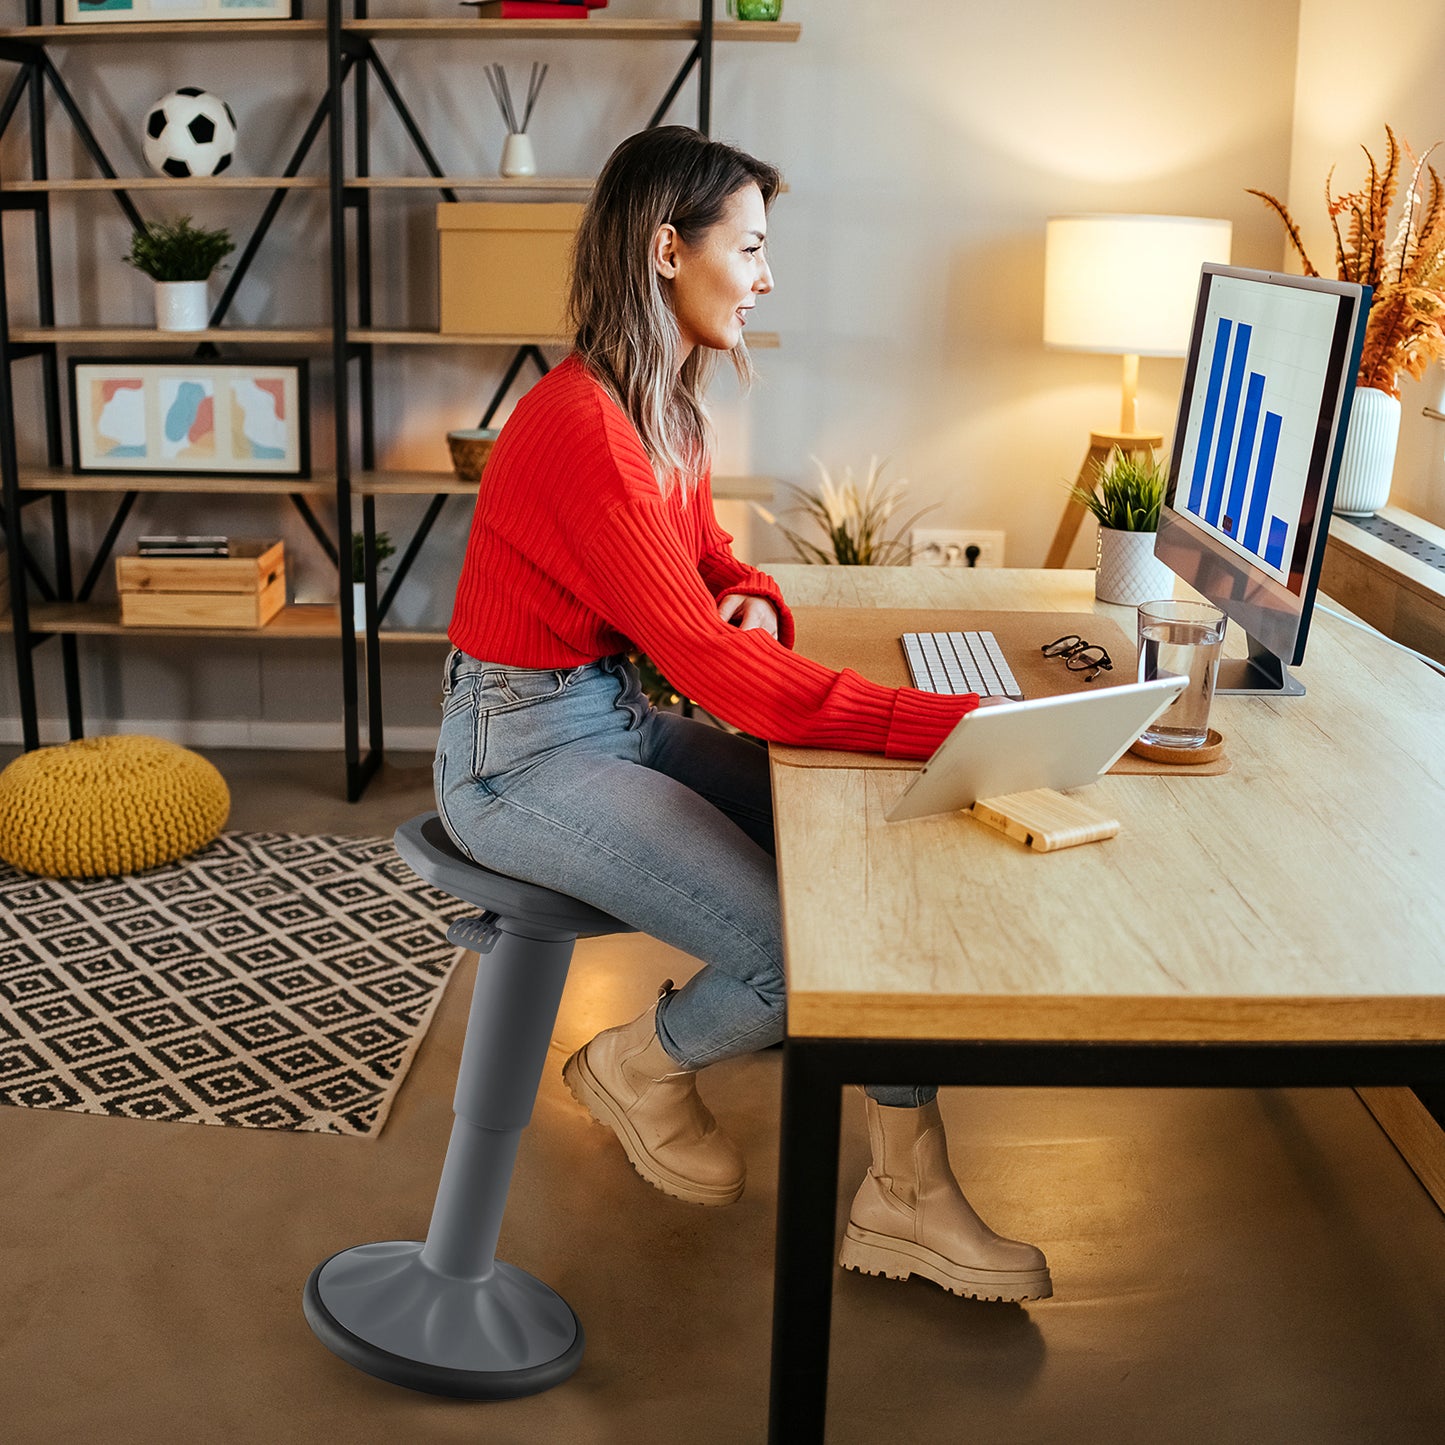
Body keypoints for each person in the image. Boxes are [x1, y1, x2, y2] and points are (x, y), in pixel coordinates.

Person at [434, 126, 1050, 1304]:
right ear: (668, 249)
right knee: (792, 957)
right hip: (516, 755)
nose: (766, 277)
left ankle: (905, 1195)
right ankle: (634, 1063)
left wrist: (748, 599)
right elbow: (719, 677)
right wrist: (950, 724)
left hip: (607, 719)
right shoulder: (583, 429)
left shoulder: (665, 406)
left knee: (866, 872)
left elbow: (714, 567)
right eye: (751, 247)